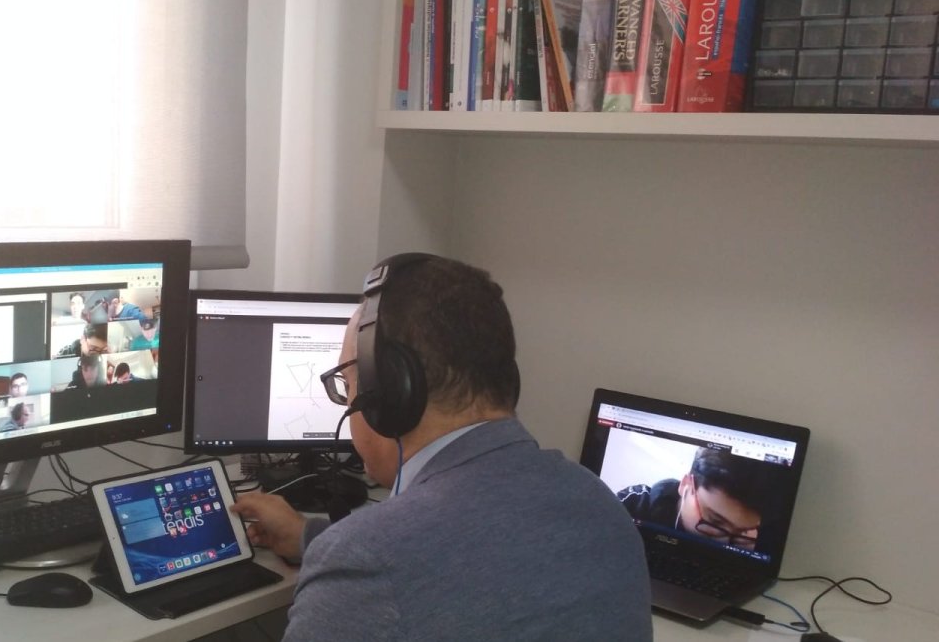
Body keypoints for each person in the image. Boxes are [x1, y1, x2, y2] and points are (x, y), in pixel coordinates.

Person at [230, 254, 652, 641]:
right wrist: (311, 537)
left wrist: (339, 553)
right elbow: (479, 558)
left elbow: (411, 561)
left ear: (389, 393)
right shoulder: (600, 504)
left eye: (346, 383)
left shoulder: (367, 561)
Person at [616, 447, 768, 549]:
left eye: (742, 532)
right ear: (685, 484)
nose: (724, 542)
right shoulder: (628, 507)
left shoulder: (760, 537)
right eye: (715, 521)